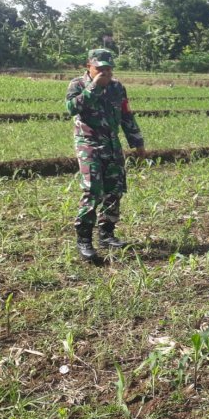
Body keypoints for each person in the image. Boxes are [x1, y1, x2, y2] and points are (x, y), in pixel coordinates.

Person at [66, 49, 145, 261]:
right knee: (93, 190)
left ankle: (107, 234)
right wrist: (94, 87)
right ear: (88, 67)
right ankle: (84, 239)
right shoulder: (78, 84)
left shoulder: (118, 87)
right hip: (88, 144)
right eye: (100, 68)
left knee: (115, 189)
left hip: (112, 144)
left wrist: (137, 143)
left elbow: (126, 115)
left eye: (108, 68)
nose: (105, 72)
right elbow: (72, 108)